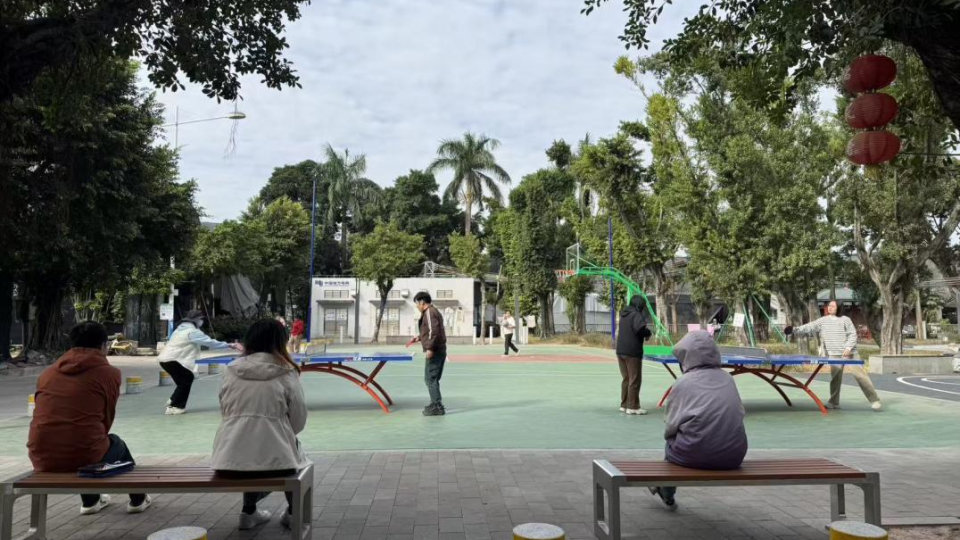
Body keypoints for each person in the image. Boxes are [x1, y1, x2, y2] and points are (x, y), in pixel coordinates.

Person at [27, 322, 152, 515]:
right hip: (85, 454)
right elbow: (106, 417)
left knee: (83, 439)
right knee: (114, 444)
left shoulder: (48, 373)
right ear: (103, 346)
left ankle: (91, 501)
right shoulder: (109, 373)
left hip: (40, 455)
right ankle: (138, 499)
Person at [211, 319, 310, 530]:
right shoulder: (287, 372)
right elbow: (298, 420)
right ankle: (293, 513)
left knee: (251, 447)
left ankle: (248, 512)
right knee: (287, 449)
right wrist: (280, 431)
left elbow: (225, 410)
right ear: (281, 342)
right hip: (277, 466)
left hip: (228, 462)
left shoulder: (230, 370)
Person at [649, 331, 748, 511]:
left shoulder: (683, 383)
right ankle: (662, 487)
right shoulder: (728, 379)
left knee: (671, 443)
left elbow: (671, 426)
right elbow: (740, 412)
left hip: (693, 455)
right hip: (734, 456)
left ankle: (666, 490)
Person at [785, 300, 882, 411]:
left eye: (833, 306)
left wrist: (848, 348)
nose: (829, 307)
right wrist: (795, 330)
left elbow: (852, 334)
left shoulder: (845, 320)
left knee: (861, 376)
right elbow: (810, 327)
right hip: (834, 355)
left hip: (850, 354)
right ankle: (834, 402)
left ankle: (874, 400)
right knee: (835, 379)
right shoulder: (823, 320)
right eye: (829, 306)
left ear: (838, 308)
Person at [157, 310, 241, 415]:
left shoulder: (179, 330)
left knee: (183, 381)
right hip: (173, 360)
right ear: (197, 320)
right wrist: (230, 345)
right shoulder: (193, 332)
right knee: (186, 380)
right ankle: (175, 406)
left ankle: (173, 400)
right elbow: (210, 343)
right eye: (201, 319)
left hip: (165, 360)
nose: (202, 321)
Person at [411, 292, 447, 416]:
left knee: (430, 378)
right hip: (439, 349)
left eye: (417, 303)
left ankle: (437, 406)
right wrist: (420, 337)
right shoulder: (432, 311)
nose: (417, 306)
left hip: (435, 351)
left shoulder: (429, 312)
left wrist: (430, 348)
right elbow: (431, 331)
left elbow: (434, 331)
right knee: (433, 379)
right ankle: (435, 403)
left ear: (422, 302)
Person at [615, 296, 652, 415]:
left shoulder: (624, 314)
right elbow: (640, 330)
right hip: (632, 351)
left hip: (621, 350)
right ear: (639, 305)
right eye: (643, 305)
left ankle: (624, 405)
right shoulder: (636, 315)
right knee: (634, 379)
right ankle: (633, 406)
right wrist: (648, 333)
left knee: (626, 378)